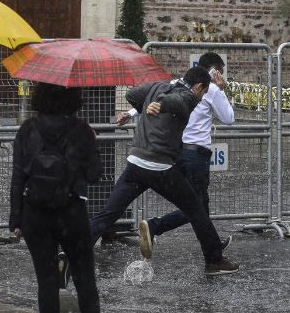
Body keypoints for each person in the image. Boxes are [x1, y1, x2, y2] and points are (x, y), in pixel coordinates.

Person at [91, 67, 239, 276]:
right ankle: (214, 261)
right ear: (199, 86)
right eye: (204, 92)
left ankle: (71, 253)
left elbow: (132, 94)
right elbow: (180, 102)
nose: (201, 96)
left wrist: (151, 103)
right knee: (196, 209)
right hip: (160, 166)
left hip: (135, 163)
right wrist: (161, 105)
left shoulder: (158, 86)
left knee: (108, 213)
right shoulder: (191, 97)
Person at [9, 83, 116, 313]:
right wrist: (90, 143)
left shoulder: (27, 129)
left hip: (35, 213)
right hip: (72, 212)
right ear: (73, 97)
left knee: (46, 281)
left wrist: (15, 219)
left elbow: (18, 176)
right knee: (85, 279)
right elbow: (95, 175)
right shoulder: (80, 130)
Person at [137, 52, 235, 259]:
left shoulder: (180, 85)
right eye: (221, 71)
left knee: (201, 202)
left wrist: (129, 114)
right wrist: (221, 90)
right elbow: (228, 118)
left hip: (178, 151)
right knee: (195, 206)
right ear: (215, 71)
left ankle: (213, 245)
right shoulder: (211, 89)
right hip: (196, 155)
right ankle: (155, 226)